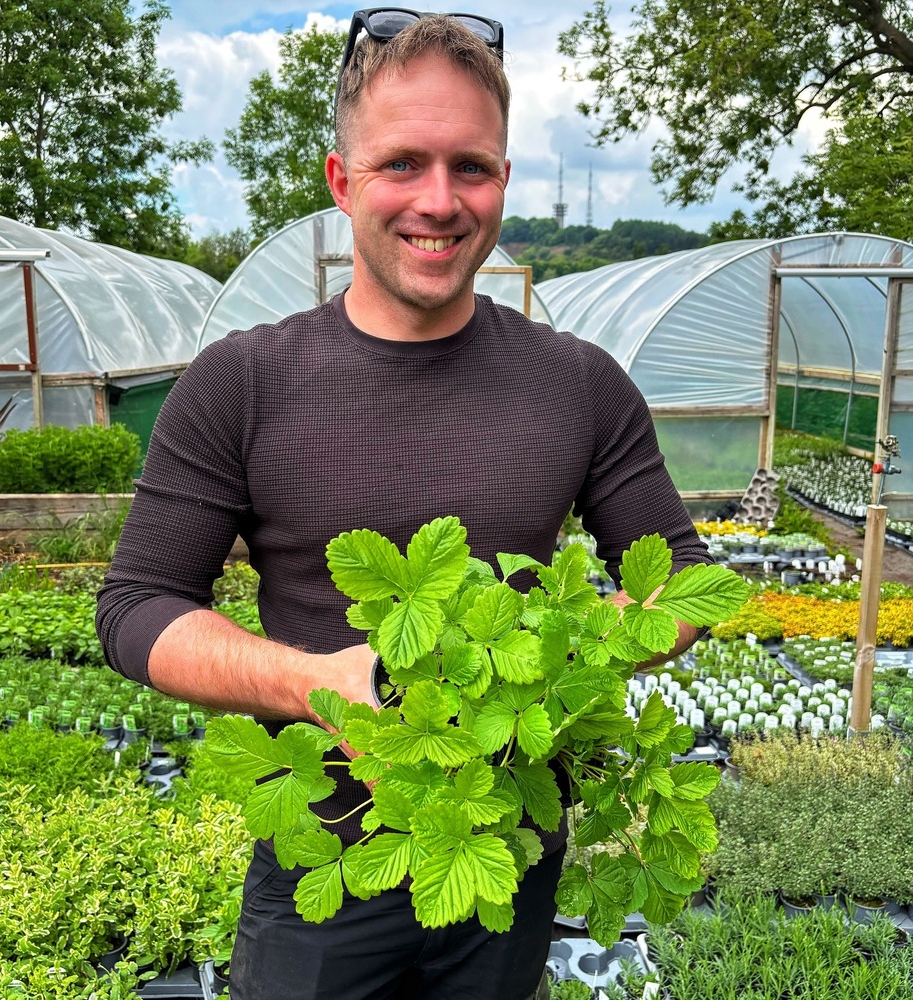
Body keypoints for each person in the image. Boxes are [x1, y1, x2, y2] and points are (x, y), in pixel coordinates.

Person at [96, 9, 710, 999]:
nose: (439, 199)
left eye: (471, 166)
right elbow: (135, 608)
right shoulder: (241, 381)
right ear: (342, 182)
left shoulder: (579, 384)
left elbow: (688, 582)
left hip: (501, 843)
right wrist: (313, 684)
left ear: (504, 181)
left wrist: (564, 650)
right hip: (322, 869)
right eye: (401, 164)